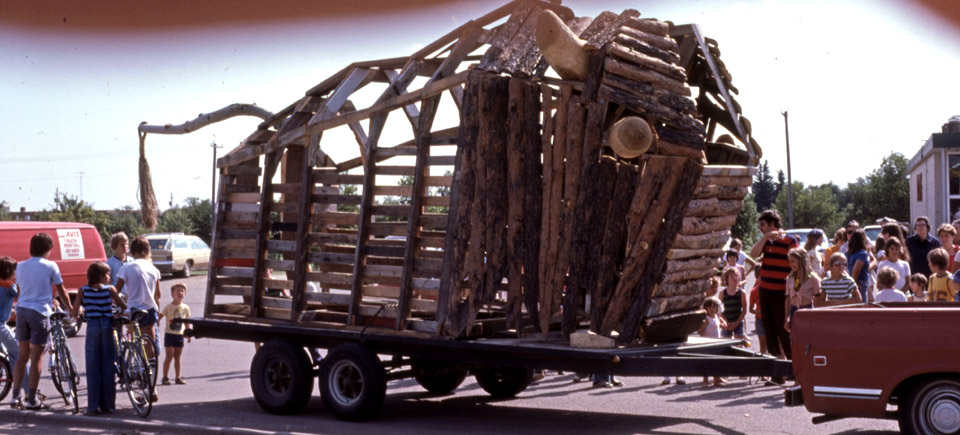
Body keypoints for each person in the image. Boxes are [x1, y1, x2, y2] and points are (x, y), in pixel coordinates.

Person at [11, 232, 75, 410]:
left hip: (22, 311)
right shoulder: (50, 266)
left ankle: (15, 397)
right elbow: (62, 290)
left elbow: (20, 288)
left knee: (22, 356)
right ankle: (32, 399)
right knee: (37, 356)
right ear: (48, 249)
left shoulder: (21, 266)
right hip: (40, 313)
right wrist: (71, 309)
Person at [70, 262, 125, 416]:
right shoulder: (110, 290)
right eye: (107, 274)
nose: (109, 277)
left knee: (93, 365)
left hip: (92, 326)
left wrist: (78, 311)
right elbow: (122, 306)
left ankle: (93, 406)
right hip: (107, 326)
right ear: (101, 276)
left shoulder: (83, 290)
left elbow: (74, 312)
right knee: (108, 364)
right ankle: (108, 405)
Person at [749, 209, 797, 381]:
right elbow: (753, 254)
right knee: (770, 333)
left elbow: (796, 264)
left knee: (783, 331)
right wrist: (764, 238)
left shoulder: (790, 241)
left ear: (772, 224)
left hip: (781, 292)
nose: (760, 227)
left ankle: (793, 371)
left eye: (762, 224)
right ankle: (777, 374)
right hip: (765, 291)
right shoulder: (765, 242)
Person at [115, 235, 161, 403]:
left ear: (132, 251)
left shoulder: (127, 267)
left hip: (133, 310)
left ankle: (136, 372)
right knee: (150, 353)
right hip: (149, 311)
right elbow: (158, 295)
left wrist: (120, 302)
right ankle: (152, 388)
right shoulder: (153, 269)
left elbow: (116, 289)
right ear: (147, 250)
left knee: (135, 346)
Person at [159, 283, 192, 386]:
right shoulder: (168, 307)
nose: (180, 293)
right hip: (169, 334)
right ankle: (165, 377)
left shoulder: (185, 307)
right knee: (169, 356)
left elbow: (187, 321)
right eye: (177, 291)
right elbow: (159, 317)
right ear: (172, 294)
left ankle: (178, 377)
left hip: (179, 335)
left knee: (178, 356)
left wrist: (189, 333)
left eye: (182, 291)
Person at [785, 247, 821, 331]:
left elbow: (818, 301)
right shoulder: (790, 278)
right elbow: (787, 299)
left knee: (807, 337)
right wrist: (787, 318)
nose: (790, 264)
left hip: (808, 311)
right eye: (789, 262)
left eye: (793, 261)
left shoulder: (813, 278)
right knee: (795, 339)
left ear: (801, 261)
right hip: (793, 311)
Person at [698, 297, 726, 387]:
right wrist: (703, 339)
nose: (712, 309)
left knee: (717, 361)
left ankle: (717, 379)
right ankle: (705, 380)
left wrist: (722, 325)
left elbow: (717, 326)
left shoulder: (716, 317)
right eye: (709, 307)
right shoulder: (706, 319)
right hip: (708, 343)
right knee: (707, 362)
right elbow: (701, 330)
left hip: (716, 342)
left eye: (714, 307)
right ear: (706, 308)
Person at [720, 267, 748, 343]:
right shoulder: (723, 293)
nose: (734, 278)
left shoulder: (742, 293)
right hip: (726, 321)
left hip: (738, 321)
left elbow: (744, 310)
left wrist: (736, 323)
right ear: (727, 279)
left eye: (736, 275)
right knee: (726, 344)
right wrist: (726, 322)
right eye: (731, 276)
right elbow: (718, 311)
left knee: (740, 343)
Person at [0, 257, 18, 369]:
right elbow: (23, 296)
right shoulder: (9, 285)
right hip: (0, 324)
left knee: (3, 355)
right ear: (10, 272)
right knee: (17, 350)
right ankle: (21, 381)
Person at [846, 229, 872, 302]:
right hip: (860, 282)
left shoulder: (848, 253)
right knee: (862, 304)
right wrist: (855, 285)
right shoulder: (862, 254)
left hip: (850, 280)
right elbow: (856, 269)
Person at [747, 267, 767, 355]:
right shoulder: (754, 291)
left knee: (775, 345)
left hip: (771, 319)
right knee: (763, 346)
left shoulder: (771, 288)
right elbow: (750, 309)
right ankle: (764, 365)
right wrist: (757, 312)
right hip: (760, 320)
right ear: (757, 277)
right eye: (760, 276)